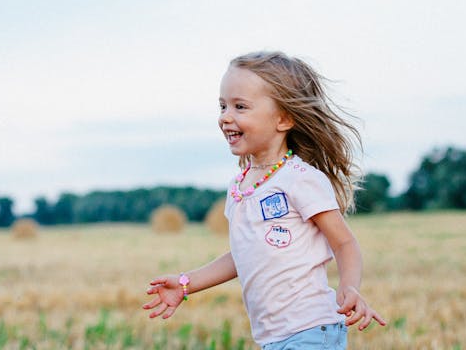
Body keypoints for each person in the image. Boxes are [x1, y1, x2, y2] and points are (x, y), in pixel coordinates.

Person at [142, 51, 386, 349]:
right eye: (222, 106)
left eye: (240, 106)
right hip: (273, 339)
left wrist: (349, 288)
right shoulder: (241, 186)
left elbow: (344, 243)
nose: (225, 117)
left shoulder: (300, 179)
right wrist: (186, 283)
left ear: (283, 119)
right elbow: (243, 253)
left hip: (311, 330)